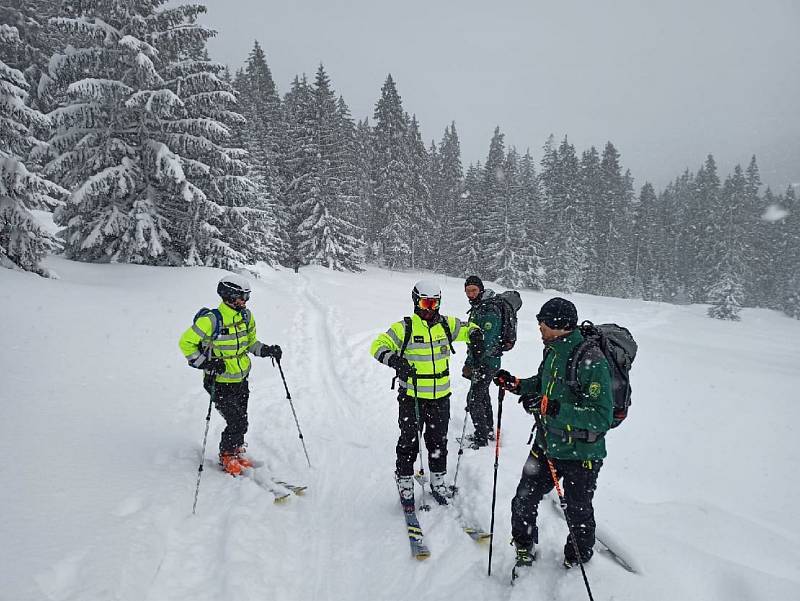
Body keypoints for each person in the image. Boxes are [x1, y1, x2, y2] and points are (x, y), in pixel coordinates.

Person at [493, 297, 613, 572]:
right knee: (523, 498)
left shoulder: (591, 361)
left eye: (543, 323)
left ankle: (577, 558)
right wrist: (516, 385)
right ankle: (524, 546)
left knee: (578, 511)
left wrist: (553, 407)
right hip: (547, 443)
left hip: (582, 452)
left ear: (559, 326)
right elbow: (542, 383)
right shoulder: (553, 351)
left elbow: (600, 417)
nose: (539, 328)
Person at [370, 280, 481, 509]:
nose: (429, 308)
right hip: (412, 397)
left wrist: (476, 336)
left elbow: (470, 328)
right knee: (409, 441)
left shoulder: (447, 325)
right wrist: (396, 361)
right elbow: (378, 346)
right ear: (415, 301)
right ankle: (405, 481)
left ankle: (438, 481)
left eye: (434, 303)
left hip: (440, 397)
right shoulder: (405, 327)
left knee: (438, 441)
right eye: (425, 302)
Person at [179, 274, 282, 476]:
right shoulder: (211, 320)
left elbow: (250, 343)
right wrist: (206, 363)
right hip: (217, 381)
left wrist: (267, 350)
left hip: (240, 378)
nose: (244, 301)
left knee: (242, 418)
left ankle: (235, 448)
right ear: (227, 295)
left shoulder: (246, 317)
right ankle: (226, 454)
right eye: (240, 297)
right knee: (236, 421)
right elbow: (186, 343)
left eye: (247, 296)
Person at [461, 275, 503, 449]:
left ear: (481, 289)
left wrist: (472, 363)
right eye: (468, 291)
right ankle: (488, 431)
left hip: (486, 362)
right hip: (484, 361)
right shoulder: (479, 307)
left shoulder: (489, 310)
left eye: (474, 290)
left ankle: (481, 437)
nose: (471, 294)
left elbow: (485, 342)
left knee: (473, 398)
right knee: (482, 394)